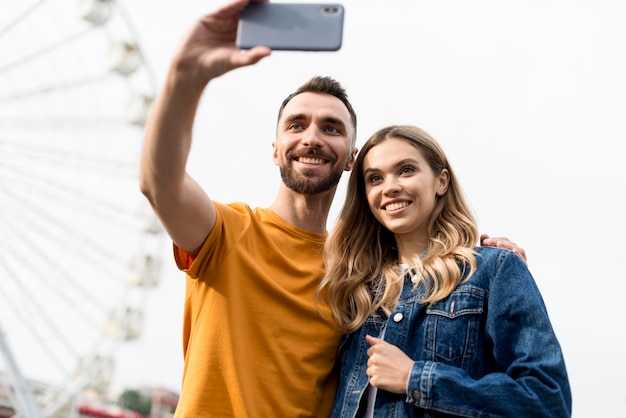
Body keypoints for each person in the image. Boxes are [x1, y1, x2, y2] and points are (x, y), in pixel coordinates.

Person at [139, 0, 527, 416]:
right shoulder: (227, 233)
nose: (312, 137)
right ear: (275, 150)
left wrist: (495, 276)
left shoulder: (362, 277)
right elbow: (159, 183)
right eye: (296, 124)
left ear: (350, 158)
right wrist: (186, 76)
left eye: (331, 128)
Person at [319, 125, 571, 417]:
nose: (389, 187)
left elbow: (547, 400)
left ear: (441, 181)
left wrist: (415, 377)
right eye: (375, 178)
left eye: (406, 170)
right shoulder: (355, 290)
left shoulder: (492, 270)